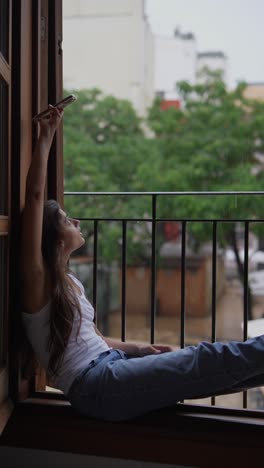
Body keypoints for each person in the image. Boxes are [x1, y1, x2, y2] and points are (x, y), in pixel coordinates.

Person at [21, 106, 264, 422]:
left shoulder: (70, 282)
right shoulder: (38, 282)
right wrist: (46, 137)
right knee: (204, 360)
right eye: (67, 220)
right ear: (54, 239)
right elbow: (36, 197)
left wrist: (139, 348)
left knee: (226, 373)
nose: (77, 220)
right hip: (95, 385)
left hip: (111, 367)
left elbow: (95, 339)